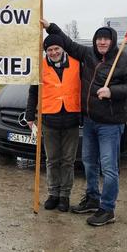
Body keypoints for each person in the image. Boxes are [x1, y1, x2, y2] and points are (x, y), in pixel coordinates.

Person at [42, 20, 127, 226]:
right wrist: (50, 26)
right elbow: (68, 44)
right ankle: (92, 198)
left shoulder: (126, 60)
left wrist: (112, 91)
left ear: (113, 41)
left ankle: (107, 209)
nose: (102, 42)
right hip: (89, 121)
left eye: (106, 39)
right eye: (99, 38)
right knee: (89, 163)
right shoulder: (88, 55)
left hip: (110, 124)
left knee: (108, 168)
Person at [25, 33, 82, 212]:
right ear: (46, 52)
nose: (53, 52)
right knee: (51, 160)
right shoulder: (40, 67)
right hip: (49, 119)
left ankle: (64, 195)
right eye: (49, 50)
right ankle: (53, 194)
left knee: (67, 160)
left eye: (56, 48)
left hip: (71, 118)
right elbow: (33, 92)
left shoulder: (77, 63)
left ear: (62, 49)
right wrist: (29, 115)